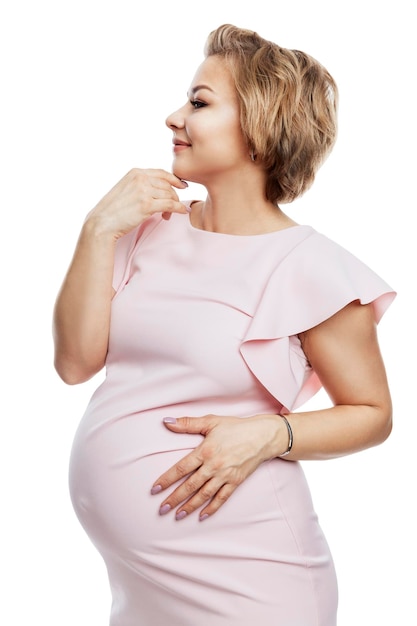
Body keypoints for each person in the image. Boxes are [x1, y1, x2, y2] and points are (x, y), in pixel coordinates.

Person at [53, 23, 396, 626]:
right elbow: (74, 363)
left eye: (200, 102)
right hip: (143, 591)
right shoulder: (146, 230)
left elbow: (372, 414)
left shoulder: (311, 267)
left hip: (253, 583)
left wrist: (269, 434)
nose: (173, 116)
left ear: (261, 128)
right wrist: (96, 227)